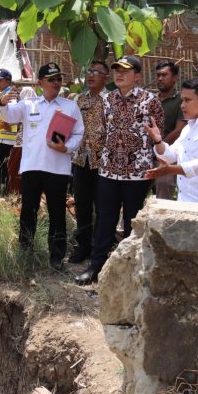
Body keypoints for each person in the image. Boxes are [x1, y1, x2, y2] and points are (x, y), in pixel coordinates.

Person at [75, 55, 164, 285]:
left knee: (132, 221)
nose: (119, 74)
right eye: (116, 70)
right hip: (109, 171)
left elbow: (158, 134)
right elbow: (104, 130)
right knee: (105, 219)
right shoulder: (108, 100)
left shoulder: (150, 100)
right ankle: (96, 268)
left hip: (137, 172)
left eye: (125, 70)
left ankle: (128, 271)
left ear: (137, 75)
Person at [0, 62, 84, 270]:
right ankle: (25, 251)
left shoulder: (70, 106)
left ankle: (56, 257)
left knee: (57, 213)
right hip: (32, 167)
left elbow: (79, 134)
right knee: (29, 210)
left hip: (58, 168)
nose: (56, 83)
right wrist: (1, 102)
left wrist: (67, 147)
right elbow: (7, 116)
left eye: (59, 79)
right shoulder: (29, 105)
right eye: (51, 79)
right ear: (40, 83)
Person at [145, 79, 198, 204]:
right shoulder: (189, 127)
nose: (182, 105)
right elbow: (170, 155)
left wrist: (171, 170)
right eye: (182, 100)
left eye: (187, 100)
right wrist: (158, 140)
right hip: (184, 200)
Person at [70, 61, 109, 264]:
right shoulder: (78, 99)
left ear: (106, 78)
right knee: (82, 205)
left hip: (102, 162)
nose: (91, 75)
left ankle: (99, 249)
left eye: (97, 72)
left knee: (102, 207)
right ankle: (83, 246)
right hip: (80, 160)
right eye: (90, 71)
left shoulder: (110, 100)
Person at [154, 61, 186, 199]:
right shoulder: (151, 100)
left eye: (164, 75)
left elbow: (179, 130)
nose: (160, 78)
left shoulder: (181, 101)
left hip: (168, 156)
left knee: (163, 193)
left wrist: (158, 146)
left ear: (174, 78)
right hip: (144, 155)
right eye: (158, 75)